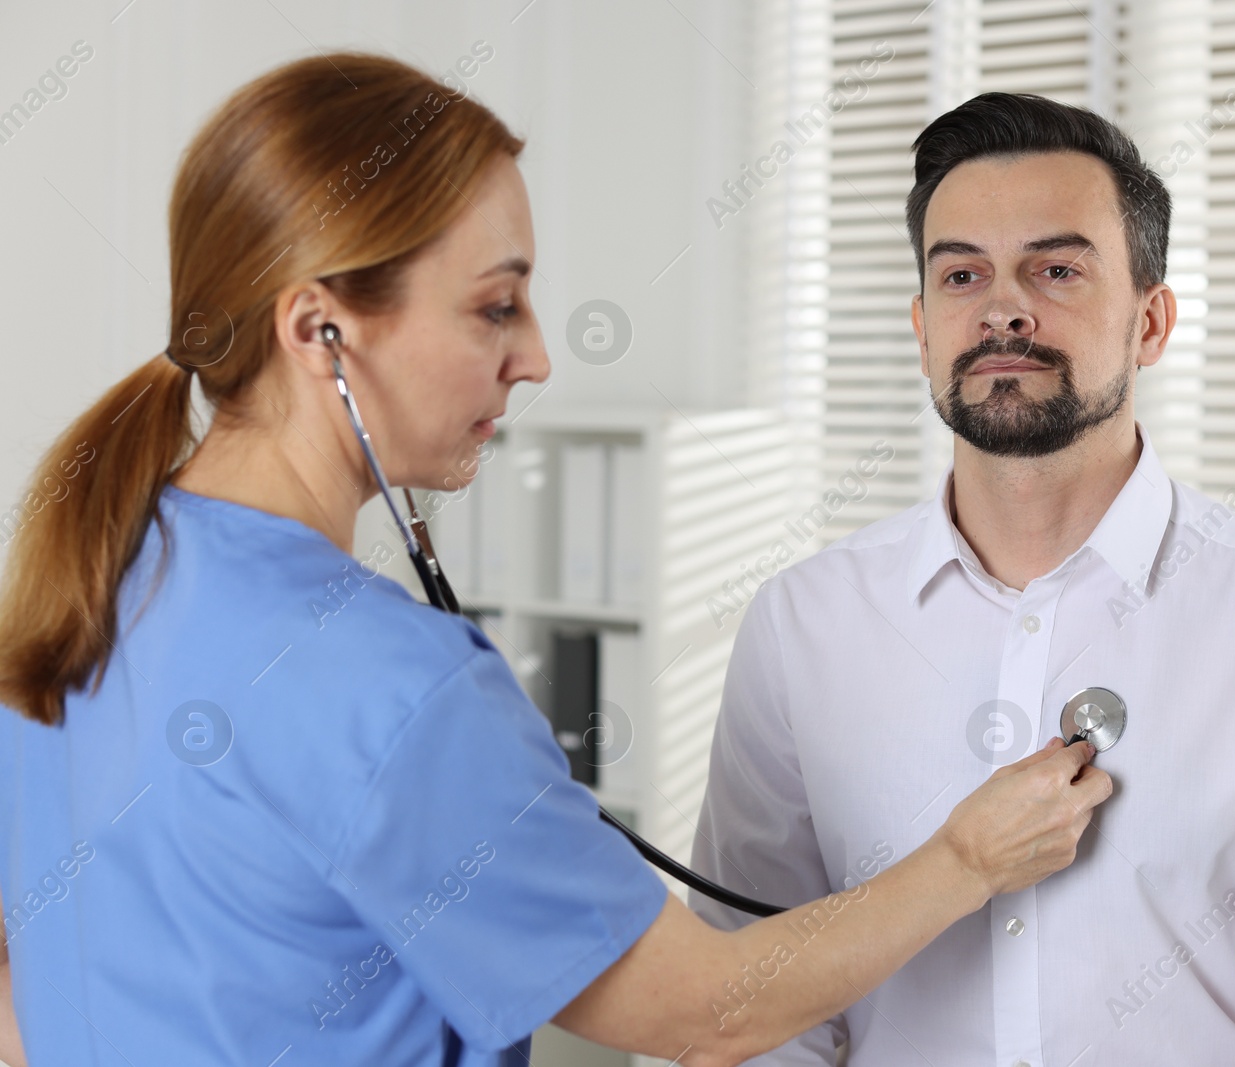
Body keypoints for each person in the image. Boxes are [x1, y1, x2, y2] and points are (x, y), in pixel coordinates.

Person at [0, 59, 1115, 1067]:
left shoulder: (88, 576)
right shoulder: (389, 684)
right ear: (320, 332)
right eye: (495, 304)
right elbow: (708, 1011)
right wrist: (970, 858)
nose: (534, 355)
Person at [690, 93, 1235, 1064]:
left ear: (1150, 323)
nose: (1003, 307)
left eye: (1057, 268)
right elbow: (756, 994)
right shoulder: (801, 626)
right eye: (962, 273)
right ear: (921, 328)